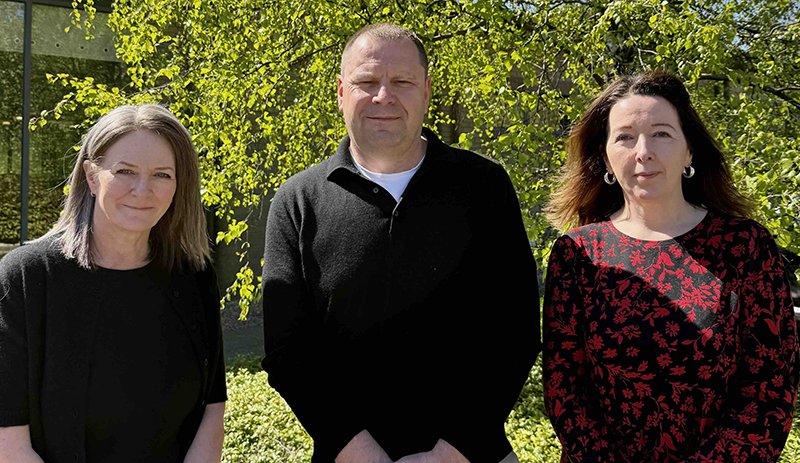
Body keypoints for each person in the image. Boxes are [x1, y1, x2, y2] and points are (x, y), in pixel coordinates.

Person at [261, 23, 540, 463]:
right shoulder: (298, 201)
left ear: (426, 91)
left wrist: (449, 453)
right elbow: (288, 352)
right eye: (366, 82)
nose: (383, 96)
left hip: (472, 455)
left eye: (402, 82)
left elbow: (514, 331)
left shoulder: (485, 186)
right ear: (339, 91)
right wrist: (363, 453)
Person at [542, 71, 799, 462]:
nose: (643, 151)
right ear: (605, 157)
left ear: (689, 150)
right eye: (625, 137)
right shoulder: (577, 255)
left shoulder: (746, 247)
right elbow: (565, 392)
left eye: (661, 133)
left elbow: (769, 391)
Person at [0, 105, 227, 463]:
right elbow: (8, 442)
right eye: (125, 171)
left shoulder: (194, 278)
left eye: (162, 175)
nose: (143, 189)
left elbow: (211, 410)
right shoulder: (26, 280)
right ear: (91, 176)